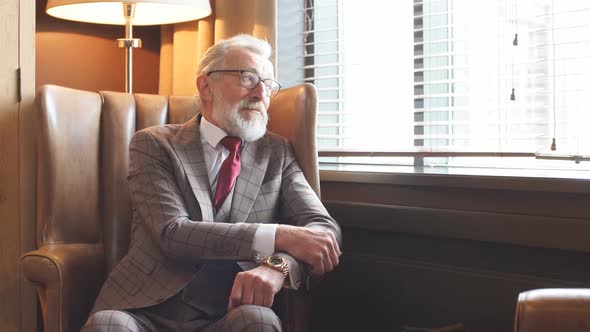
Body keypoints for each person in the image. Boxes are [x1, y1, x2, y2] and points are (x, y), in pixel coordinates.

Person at [82, 34, 342, 332]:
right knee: (107, 326)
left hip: (228, 312)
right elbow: (173, 233)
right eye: (247, 78)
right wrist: (278, 235)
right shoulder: (154, 145)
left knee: (259, 320)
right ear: (206, 85)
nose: (260, 93)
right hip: (145, 310)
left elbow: (322, 228)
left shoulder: (278, 154)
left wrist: (278, 266)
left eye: (268, 84)